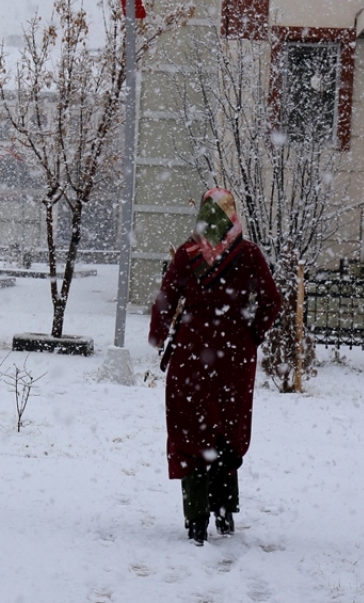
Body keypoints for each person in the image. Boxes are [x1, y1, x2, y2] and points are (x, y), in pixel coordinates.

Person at [149, 187, 281, 545]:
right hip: (234, 357)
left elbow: (166, 300)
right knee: (226, 432)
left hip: (191, 355)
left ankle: (196, 520)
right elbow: (272, 300)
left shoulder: (186, 255)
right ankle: (224, 513)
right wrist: (252, 333)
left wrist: (158, 336)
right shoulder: (249, 254)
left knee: (190, 433)